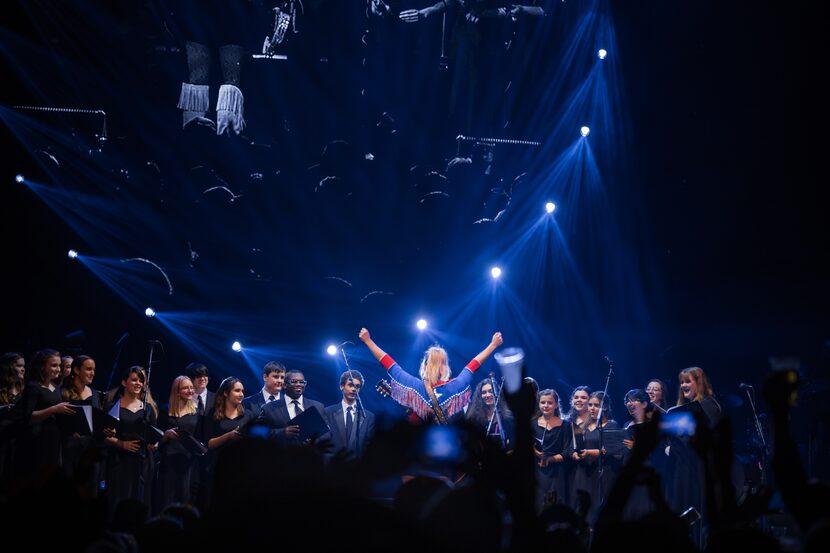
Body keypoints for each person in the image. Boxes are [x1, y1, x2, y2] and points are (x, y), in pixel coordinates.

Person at [359, 327, 503, 422]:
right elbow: (473, 365)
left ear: (425, 366)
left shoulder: (414, 386)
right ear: (444, 367)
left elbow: (390, 365)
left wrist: (368, 341)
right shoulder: (455, 386)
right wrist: (493, 345)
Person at [104, 365, 160, 514]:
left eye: (141, 381)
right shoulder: (113, 405)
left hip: (143, 462)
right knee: (119, 501)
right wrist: (121, 444)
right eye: (134, 380)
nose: (138, 384)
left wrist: (154, 444)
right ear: (124, 382)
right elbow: (103, 436)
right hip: (120, 461)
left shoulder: (148, 408)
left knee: (140, 500)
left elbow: (154, 434)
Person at [14, 348, 76, 481]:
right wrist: (53, 409)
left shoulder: (56, 388)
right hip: (38, 439)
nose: (58, 369)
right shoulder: (34, 387)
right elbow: (28, 417)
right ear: (42, 367)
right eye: (54, 365)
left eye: (59, 365)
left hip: (54, 438)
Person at [571, 391, 623, 524]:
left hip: (604, 473)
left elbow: (614, 451)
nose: (592, 408)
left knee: (600, 510)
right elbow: (577, 447)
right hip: (584, 472)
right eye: (590, 405)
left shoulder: (612, 425)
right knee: (583, 509)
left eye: (596, 405)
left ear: (604, 407)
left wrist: (589, 452)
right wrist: (577, 453)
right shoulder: (584, 426)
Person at [61, 355, 107, 490]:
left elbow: (98, 421)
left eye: (94, 370)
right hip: (70, 451)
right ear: (76, 370)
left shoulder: (95, 394)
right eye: (88, 369)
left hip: (90, 452)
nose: (92, 373)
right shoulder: (63, 392)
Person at [156, 376, 201, 512]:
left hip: (188, 460)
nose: (190, 390)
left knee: (185, 498)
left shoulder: (196, 412)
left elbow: (199, 436)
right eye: (186, 388)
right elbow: (158, 439)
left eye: (191, 388)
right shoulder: (164, 411)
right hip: (169, 459)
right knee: (167, 497)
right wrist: (166, 434)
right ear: (177, 391)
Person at [260, 369, 326, 444]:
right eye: (294, 382)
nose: (298, 384)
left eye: (302, 382)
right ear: (284, 385)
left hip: (311, 454)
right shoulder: (268, 408)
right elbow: (258, 433)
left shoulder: (318, 406)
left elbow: (327, 433)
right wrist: (283, 432)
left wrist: (314, 440)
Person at [324, 370, 376, 459]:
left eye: (357, 386)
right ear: (342, 386)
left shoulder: (368, 417)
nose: (353, 389)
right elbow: (324, 444)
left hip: (358, 469)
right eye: (350, 385)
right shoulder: (328, 412)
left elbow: (370, 448)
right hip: (332, 468)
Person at [533, 388, 567, 512]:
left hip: (557, 473)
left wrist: (550, 459)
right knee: (537, 506)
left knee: (555, 509)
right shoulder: (532, 424)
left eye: (550, 402)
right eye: (543, 402)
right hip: (537, 472)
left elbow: (568, 451)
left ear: (556, 404)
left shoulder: (565, 425)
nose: (546, 405)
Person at [466, 378, 514, 449]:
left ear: (497, 393)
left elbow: (513, 444)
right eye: (484, 393)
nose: (487, 395)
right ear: (480, 396)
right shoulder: (473, 418)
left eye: (491, 391)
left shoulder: (507, 418)